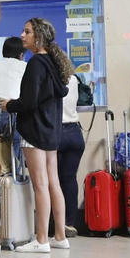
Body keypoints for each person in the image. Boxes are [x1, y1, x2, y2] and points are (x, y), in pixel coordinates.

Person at [0, 19, 70, 253]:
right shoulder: (54, 63)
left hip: (34, 130)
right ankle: (60, 235)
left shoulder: (36, 64)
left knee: (40, 185)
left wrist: (9, 105)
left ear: (38, 36)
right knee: (53, 183)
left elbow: (28, 101)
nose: (22, 35)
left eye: (27, 31)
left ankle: (41, 239)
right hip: (51, 130)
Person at [54, 68, 85, 237]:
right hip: (74, 131)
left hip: (56, 132)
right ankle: (69, 223)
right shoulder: (73, 78)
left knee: (54, 181)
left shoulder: (49, 78)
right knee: (70, 178)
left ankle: (57, 225)